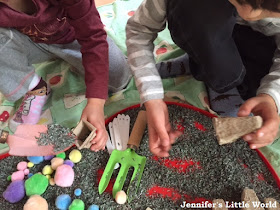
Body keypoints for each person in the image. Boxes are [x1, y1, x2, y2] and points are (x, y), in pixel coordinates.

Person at [126, 0, 280, 157]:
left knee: (254, 87)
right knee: (196, 13)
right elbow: (139, 31)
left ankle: (204, 65)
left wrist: (270, 97)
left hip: (258, 43)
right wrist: (152, 97)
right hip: (206, 26)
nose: (251, 14)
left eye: (270, 11)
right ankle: (202, 62)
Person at [0, 0, 131, 152]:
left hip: (75, 39)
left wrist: (96, 103)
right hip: (31, 43)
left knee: (119, 76)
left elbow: (93, 38)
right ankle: (36, 88)